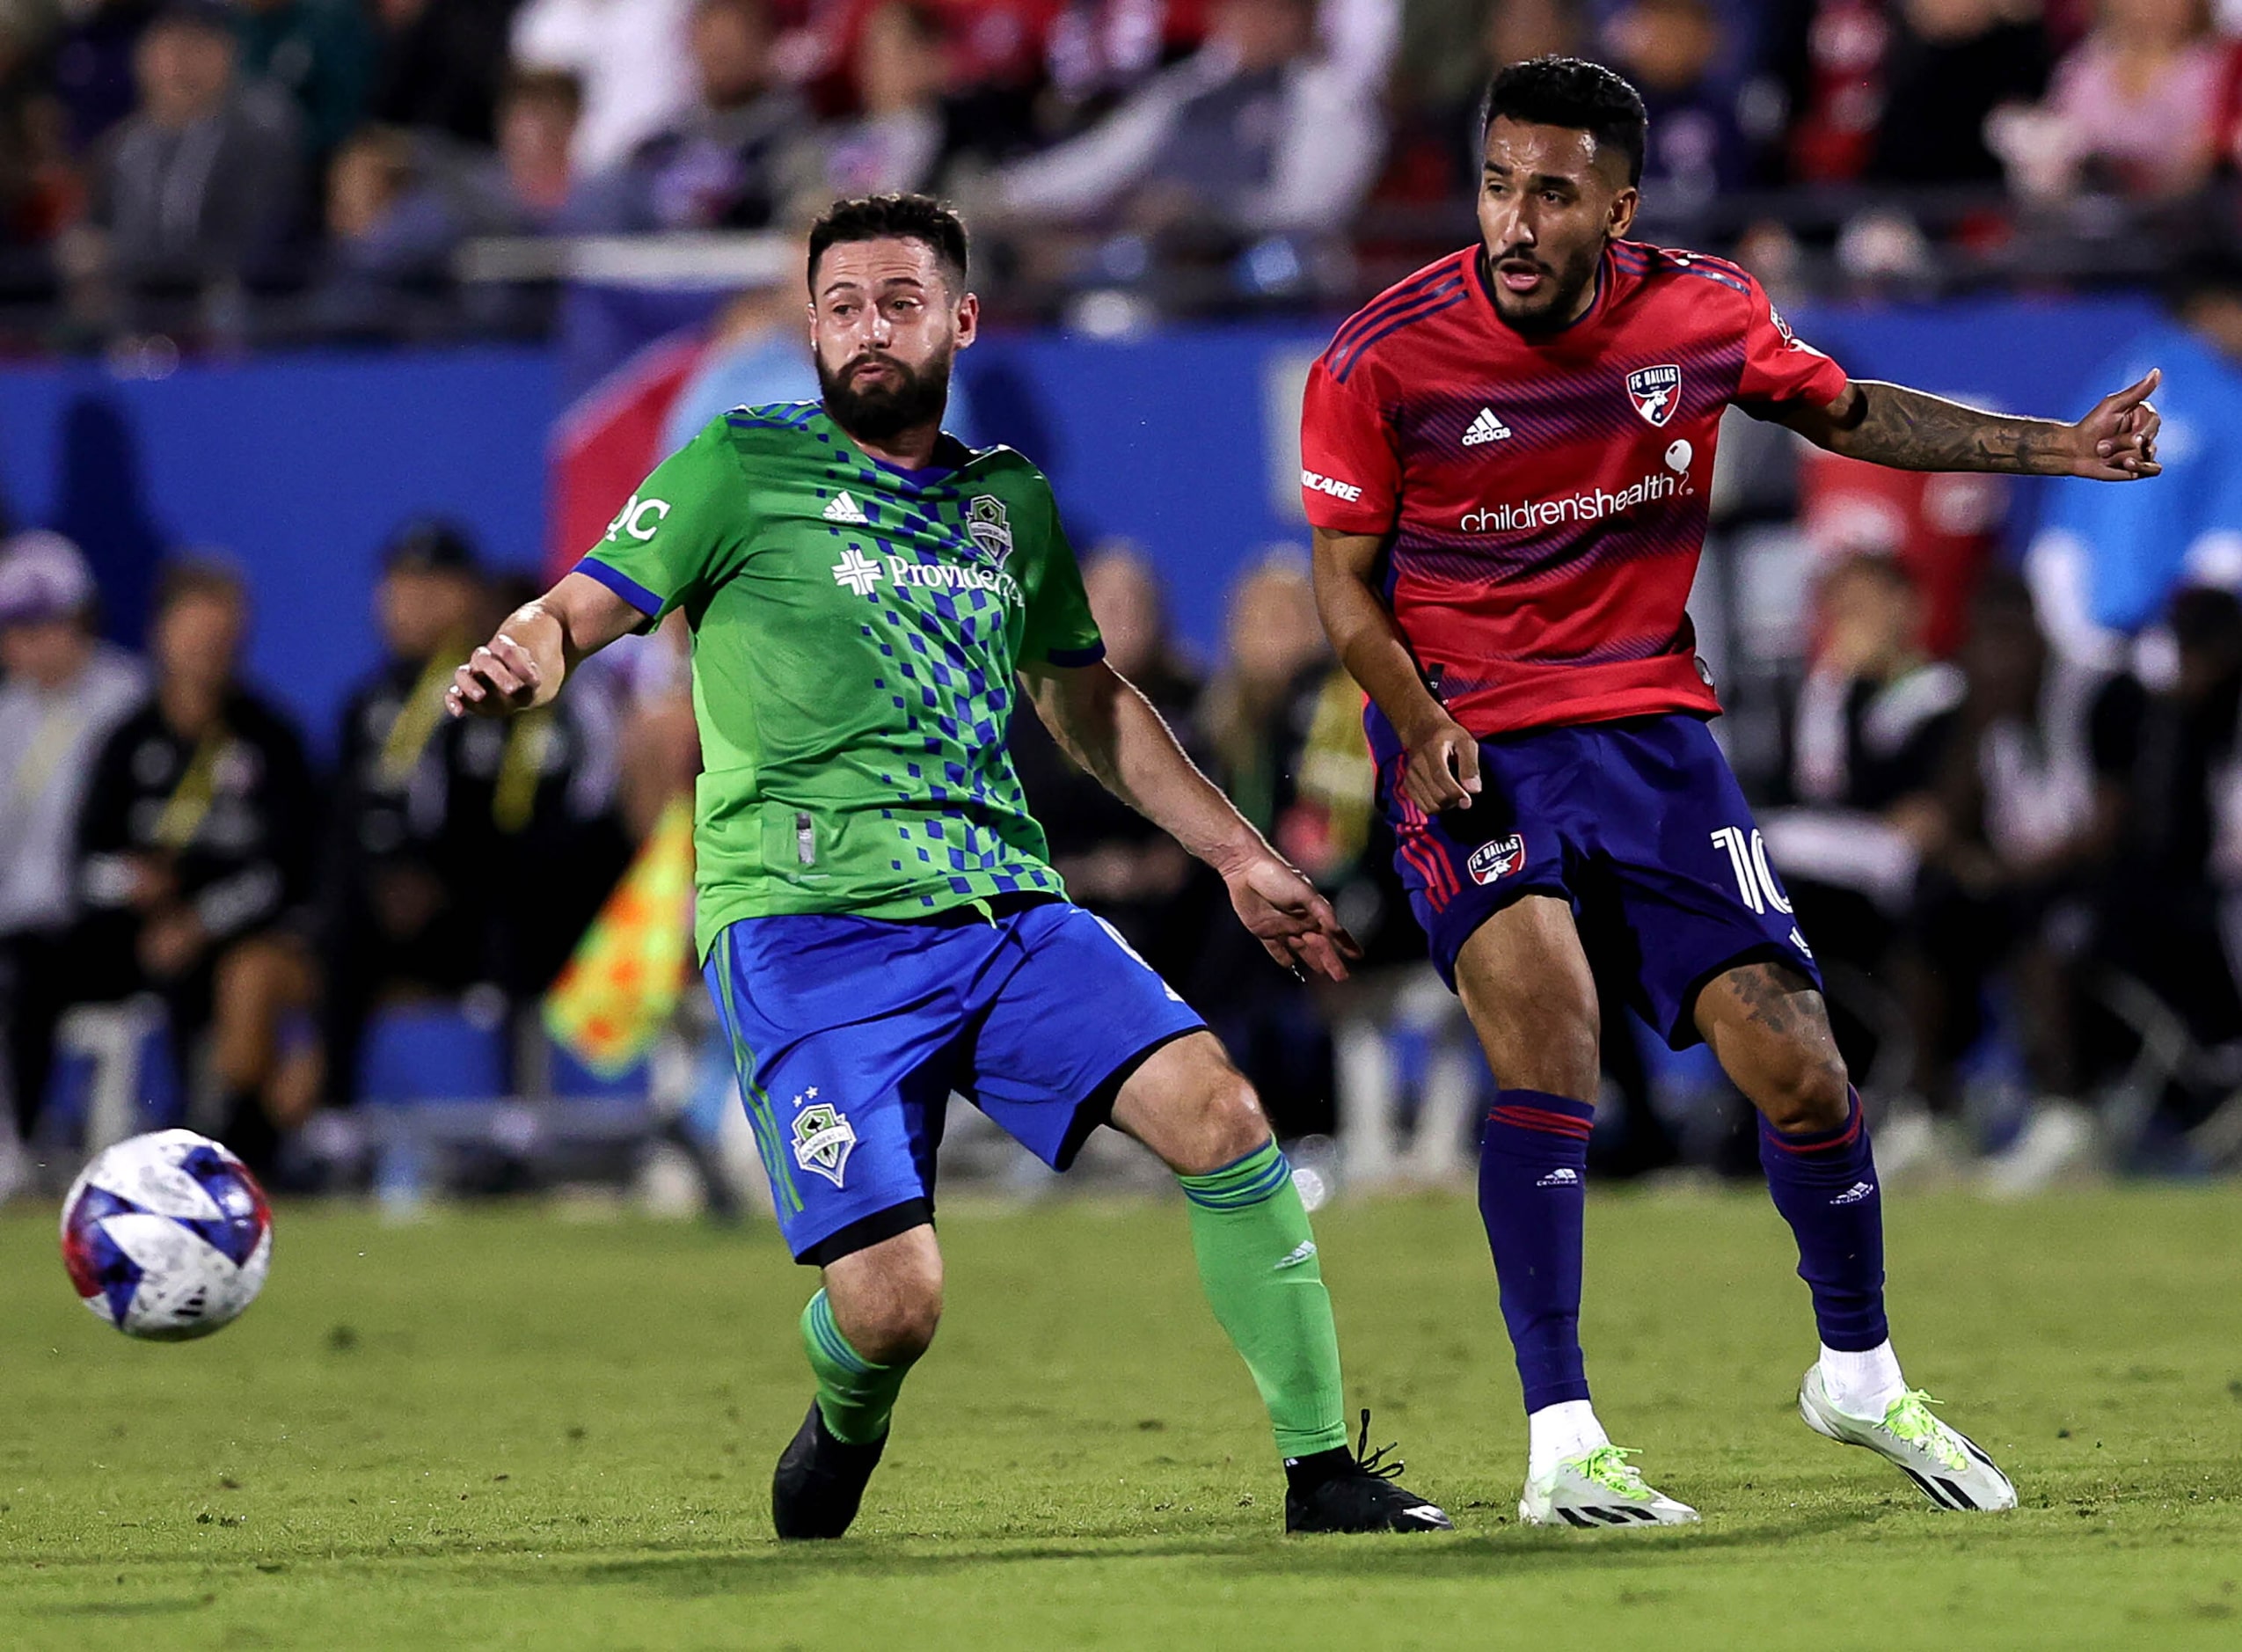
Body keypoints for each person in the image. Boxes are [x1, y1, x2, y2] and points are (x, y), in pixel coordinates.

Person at [448, 191, 1450, 1540]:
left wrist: (1234, 852)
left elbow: (1089, 704)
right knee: (894, 1305)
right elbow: (579, 606)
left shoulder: (1008, 504)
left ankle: (1321, 1469)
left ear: (961, 319)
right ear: (810, 326)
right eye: (844, 306)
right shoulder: (737, 466)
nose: (869, 330)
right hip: (804, 935)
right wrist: (528, 653)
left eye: (900, 302)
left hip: (999, 910)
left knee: (1223, 1112)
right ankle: (845, 1411)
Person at [1302, 55, 2160, 1526]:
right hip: (1467, 736)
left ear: (1615, 209)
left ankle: (1857, 1371)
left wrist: (2052, 448)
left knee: (1803, 1068)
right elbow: (1341, 588)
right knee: (1551, 1036)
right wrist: (1412, 714)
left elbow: (1842, 410)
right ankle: (1561, 1437)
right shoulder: (1382, 354)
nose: (1512, 222)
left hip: (1647, 730)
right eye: (1496, 186)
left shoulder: (1697, 310)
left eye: (1550, 194)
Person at [75, 558, 319, 1167]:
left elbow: (285, 869)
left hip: (235, 936)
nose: (211, 651)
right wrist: (132, 885)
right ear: (162, 634)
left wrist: (200, 921)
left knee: (241, 974)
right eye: (197, 636)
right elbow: (86, 863)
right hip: (130, 937)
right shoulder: (127, 741)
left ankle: (227, 1145)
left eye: (224, 638)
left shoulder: (270, 739)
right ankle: (25, 1146)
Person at [0, 532, 146, 1148]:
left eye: (47, 623)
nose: (33, 643)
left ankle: (19, 1148)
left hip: (97, 922)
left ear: (83, 619)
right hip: (18, 922)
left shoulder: (130, 700)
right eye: (17, 627)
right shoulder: (7, 717)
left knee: (26, 976)